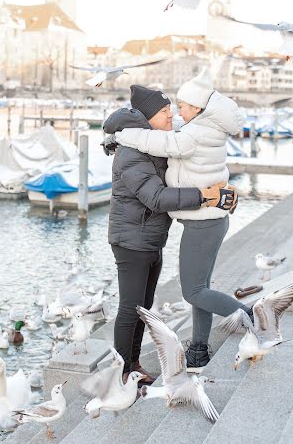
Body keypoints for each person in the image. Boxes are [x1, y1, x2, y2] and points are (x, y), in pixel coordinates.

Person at [115, 68, 253, 372]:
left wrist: (125, 135)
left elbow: (168, 145)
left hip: (203, 220)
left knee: (193, 291)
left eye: (181, 106)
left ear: (198, 108)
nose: (176, 113)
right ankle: (199, 349)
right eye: (169, 108)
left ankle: (251, 317)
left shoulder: (195, 132)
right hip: (204, 220)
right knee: (199, 289)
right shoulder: (201, 124)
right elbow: (169, 127)